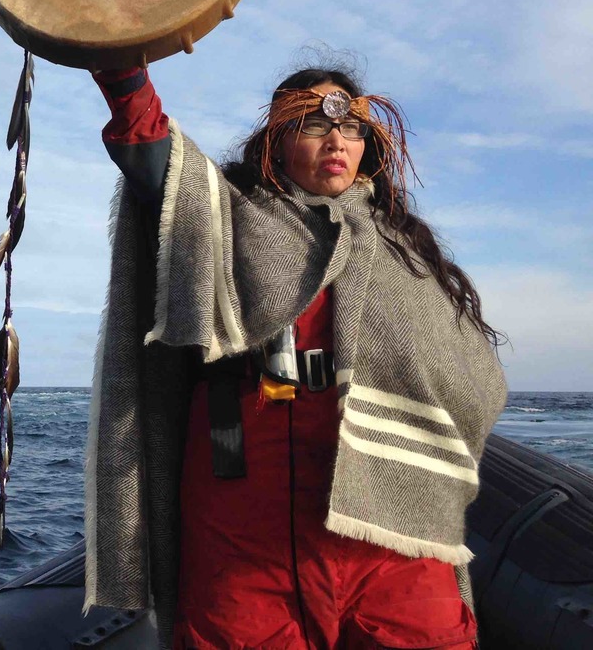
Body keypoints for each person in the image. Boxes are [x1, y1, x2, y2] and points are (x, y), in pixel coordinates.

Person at [82, 63, 507, 649]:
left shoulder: (406, 256)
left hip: (389, 540)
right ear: (275, 144)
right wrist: (124, 74)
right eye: (311, 124)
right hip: (245, 533)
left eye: (353, 128)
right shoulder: (226, 219)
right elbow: (157, 162)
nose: (336, 139)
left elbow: (472, 380)